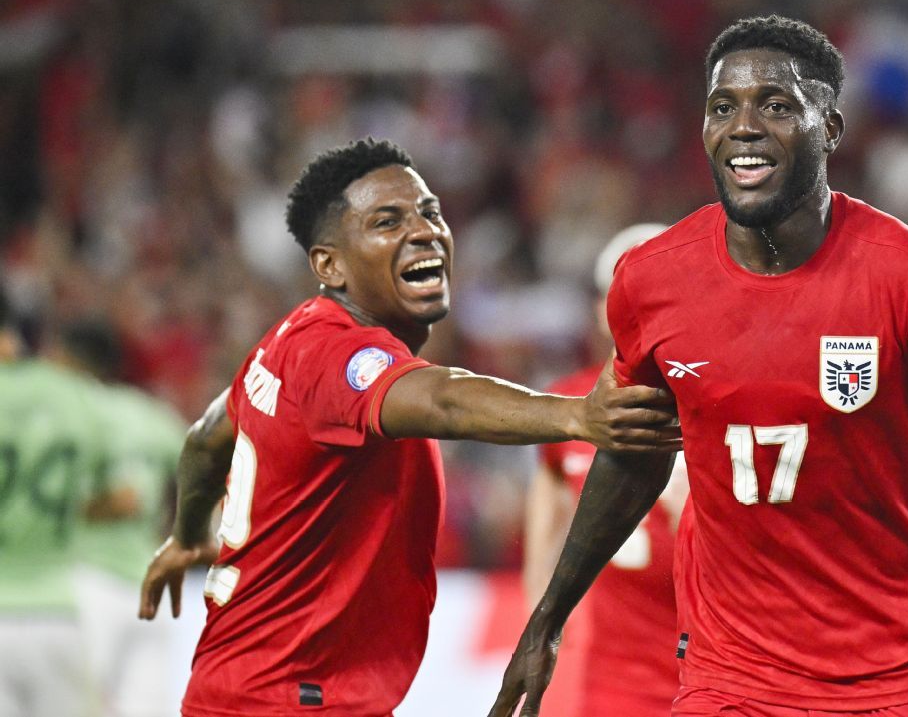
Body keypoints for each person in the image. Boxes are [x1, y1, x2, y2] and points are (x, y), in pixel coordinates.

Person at [490, 15, 908, 717]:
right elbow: (633, 454)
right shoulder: (652, 281)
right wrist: (548, 620)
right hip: (730, 677)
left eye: (775, 105)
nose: (743, 126)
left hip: (898, 676)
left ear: (830, 129)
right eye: (722, 107)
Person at [136, 138, 681, 717]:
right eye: (387, 222)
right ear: (329, 265)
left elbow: (206, 439)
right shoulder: (334, 353)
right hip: (295, 698)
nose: (424, 232)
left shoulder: (285, 343)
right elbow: (442, 400)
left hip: (245, 690)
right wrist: (576, 416)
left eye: (429, 212)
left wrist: (188, 535)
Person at [523, 224, 689, 717]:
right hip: (616, 685)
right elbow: (543, 547)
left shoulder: (728, 405)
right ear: (602, 308)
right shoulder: (568, 408)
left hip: (716, 675)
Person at [0, 300, 186, 717]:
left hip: (83, 581)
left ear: (62, 352)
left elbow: (120, 500)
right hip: (149, 584)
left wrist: (66, 508)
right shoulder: (149, 413)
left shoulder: (59, 402)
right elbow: (160, 487)